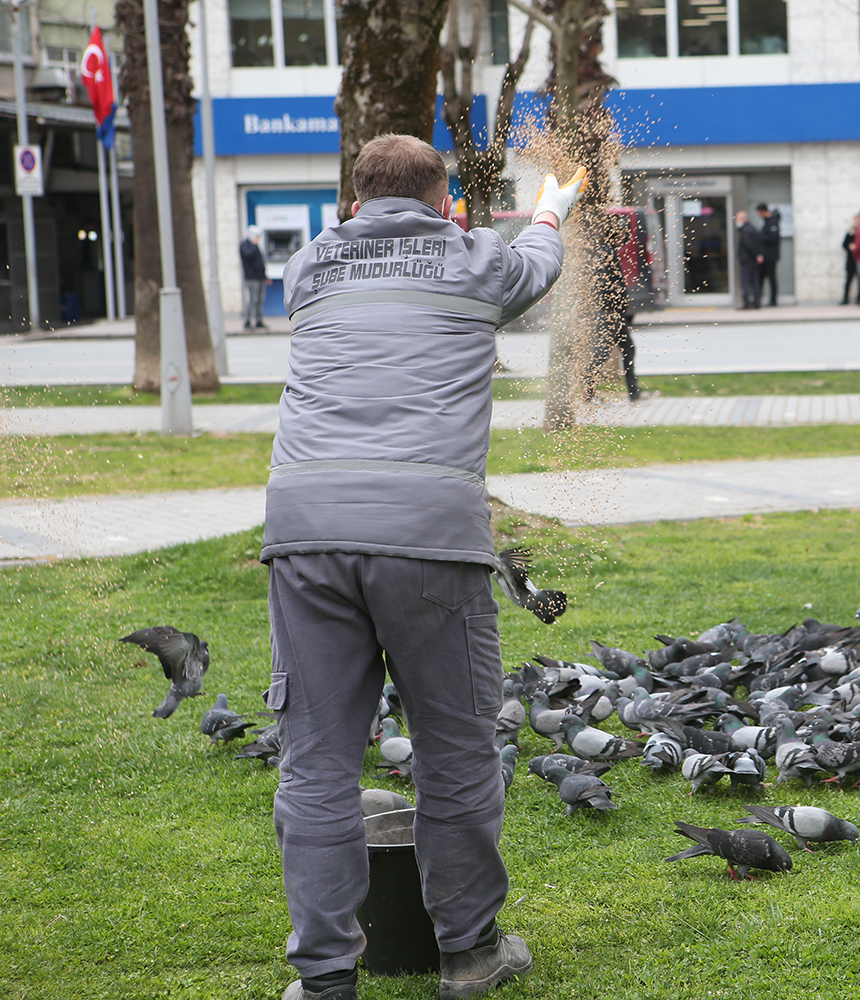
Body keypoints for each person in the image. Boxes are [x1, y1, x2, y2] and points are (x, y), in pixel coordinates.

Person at [263, 133, 580, 1000]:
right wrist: (554, 200)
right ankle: (470, 954)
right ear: (446, 202)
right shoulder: (474, 259)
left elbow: (369, 262)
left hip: (304, 532)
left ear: (353, 201)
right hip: (430, 536)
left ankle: (323, 978)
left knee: (318, 763)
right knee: (455, 751)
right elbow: (537, 258)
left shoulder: (311, 267)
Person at [585, 220, 641, 403]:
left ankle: (633, 391)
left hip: (612, 312)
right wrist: (617, 297)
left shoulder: (607, 251)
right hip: (608, 312)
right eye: (622, 233)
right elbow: (605, 283)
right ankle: (589, 392)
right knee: (602, 352)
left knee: (625, 349)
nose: (624, 237)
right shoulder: (605, 253)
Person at [240, 225, 268, 330]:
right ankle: (247, 321)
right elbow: (248, 255)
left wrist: (265, 276)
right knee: (253, 299)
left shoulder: (255, 246)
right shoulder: (245, 245)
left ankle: (258, 320)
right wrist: (254, 245)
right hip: (251, 278)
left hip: (260, 277)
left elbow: (260, 262)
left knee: (260, 300)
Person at [734, 209, 763, 309]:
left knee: (745, 281)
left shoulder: (746, 231)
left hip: (747, 260)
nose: (736, 222)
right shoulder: (752, 229)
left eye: (737, 219)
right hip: (753, 260)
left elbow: (749, 245)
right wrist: (758, 255)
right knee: (754, 281)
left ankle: (746, 302)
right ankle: (756, 302)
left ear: (744, 219)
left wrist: (755, 254)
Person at [756, 203, 781, 306]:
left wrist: (760, 237)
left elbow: (773, 238)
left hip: (770, 256)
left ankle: (773, 300)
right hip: (765, 255)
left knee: (771, 278)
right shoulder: (767, 222)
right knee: (761, 278)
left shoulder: (772, 223)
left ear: (763, 211)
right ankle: (759, 299)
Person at [840, 224, 860, 305]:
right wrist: (850, 246)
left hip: (859, 260)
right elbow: (844, 245)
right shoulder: (850, 233)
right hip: (851, 260)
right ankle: (845, 298)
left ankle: (859, 299)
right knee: (848, 280)